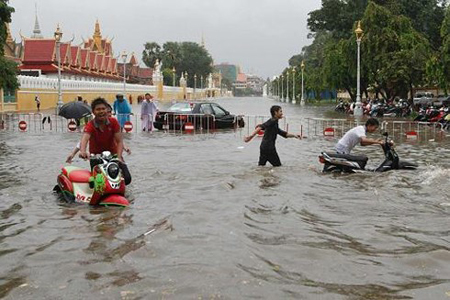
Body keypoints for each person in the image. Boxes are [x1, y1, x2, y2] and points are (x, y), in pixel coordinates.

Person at [78, 97, 131, 185]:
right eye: (98, 109)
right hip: (96, 157)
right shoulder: (90, 125)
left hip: (113, 155)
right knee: (97, 182)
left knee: (127, 178)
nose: (101, 111)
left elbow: (119, 141)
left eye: (103, 109)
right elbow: (84, 139)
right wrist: (83, 151)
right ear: (93, 112)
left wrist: (118, 157)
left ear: (107, 110)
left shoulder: (114, 122)